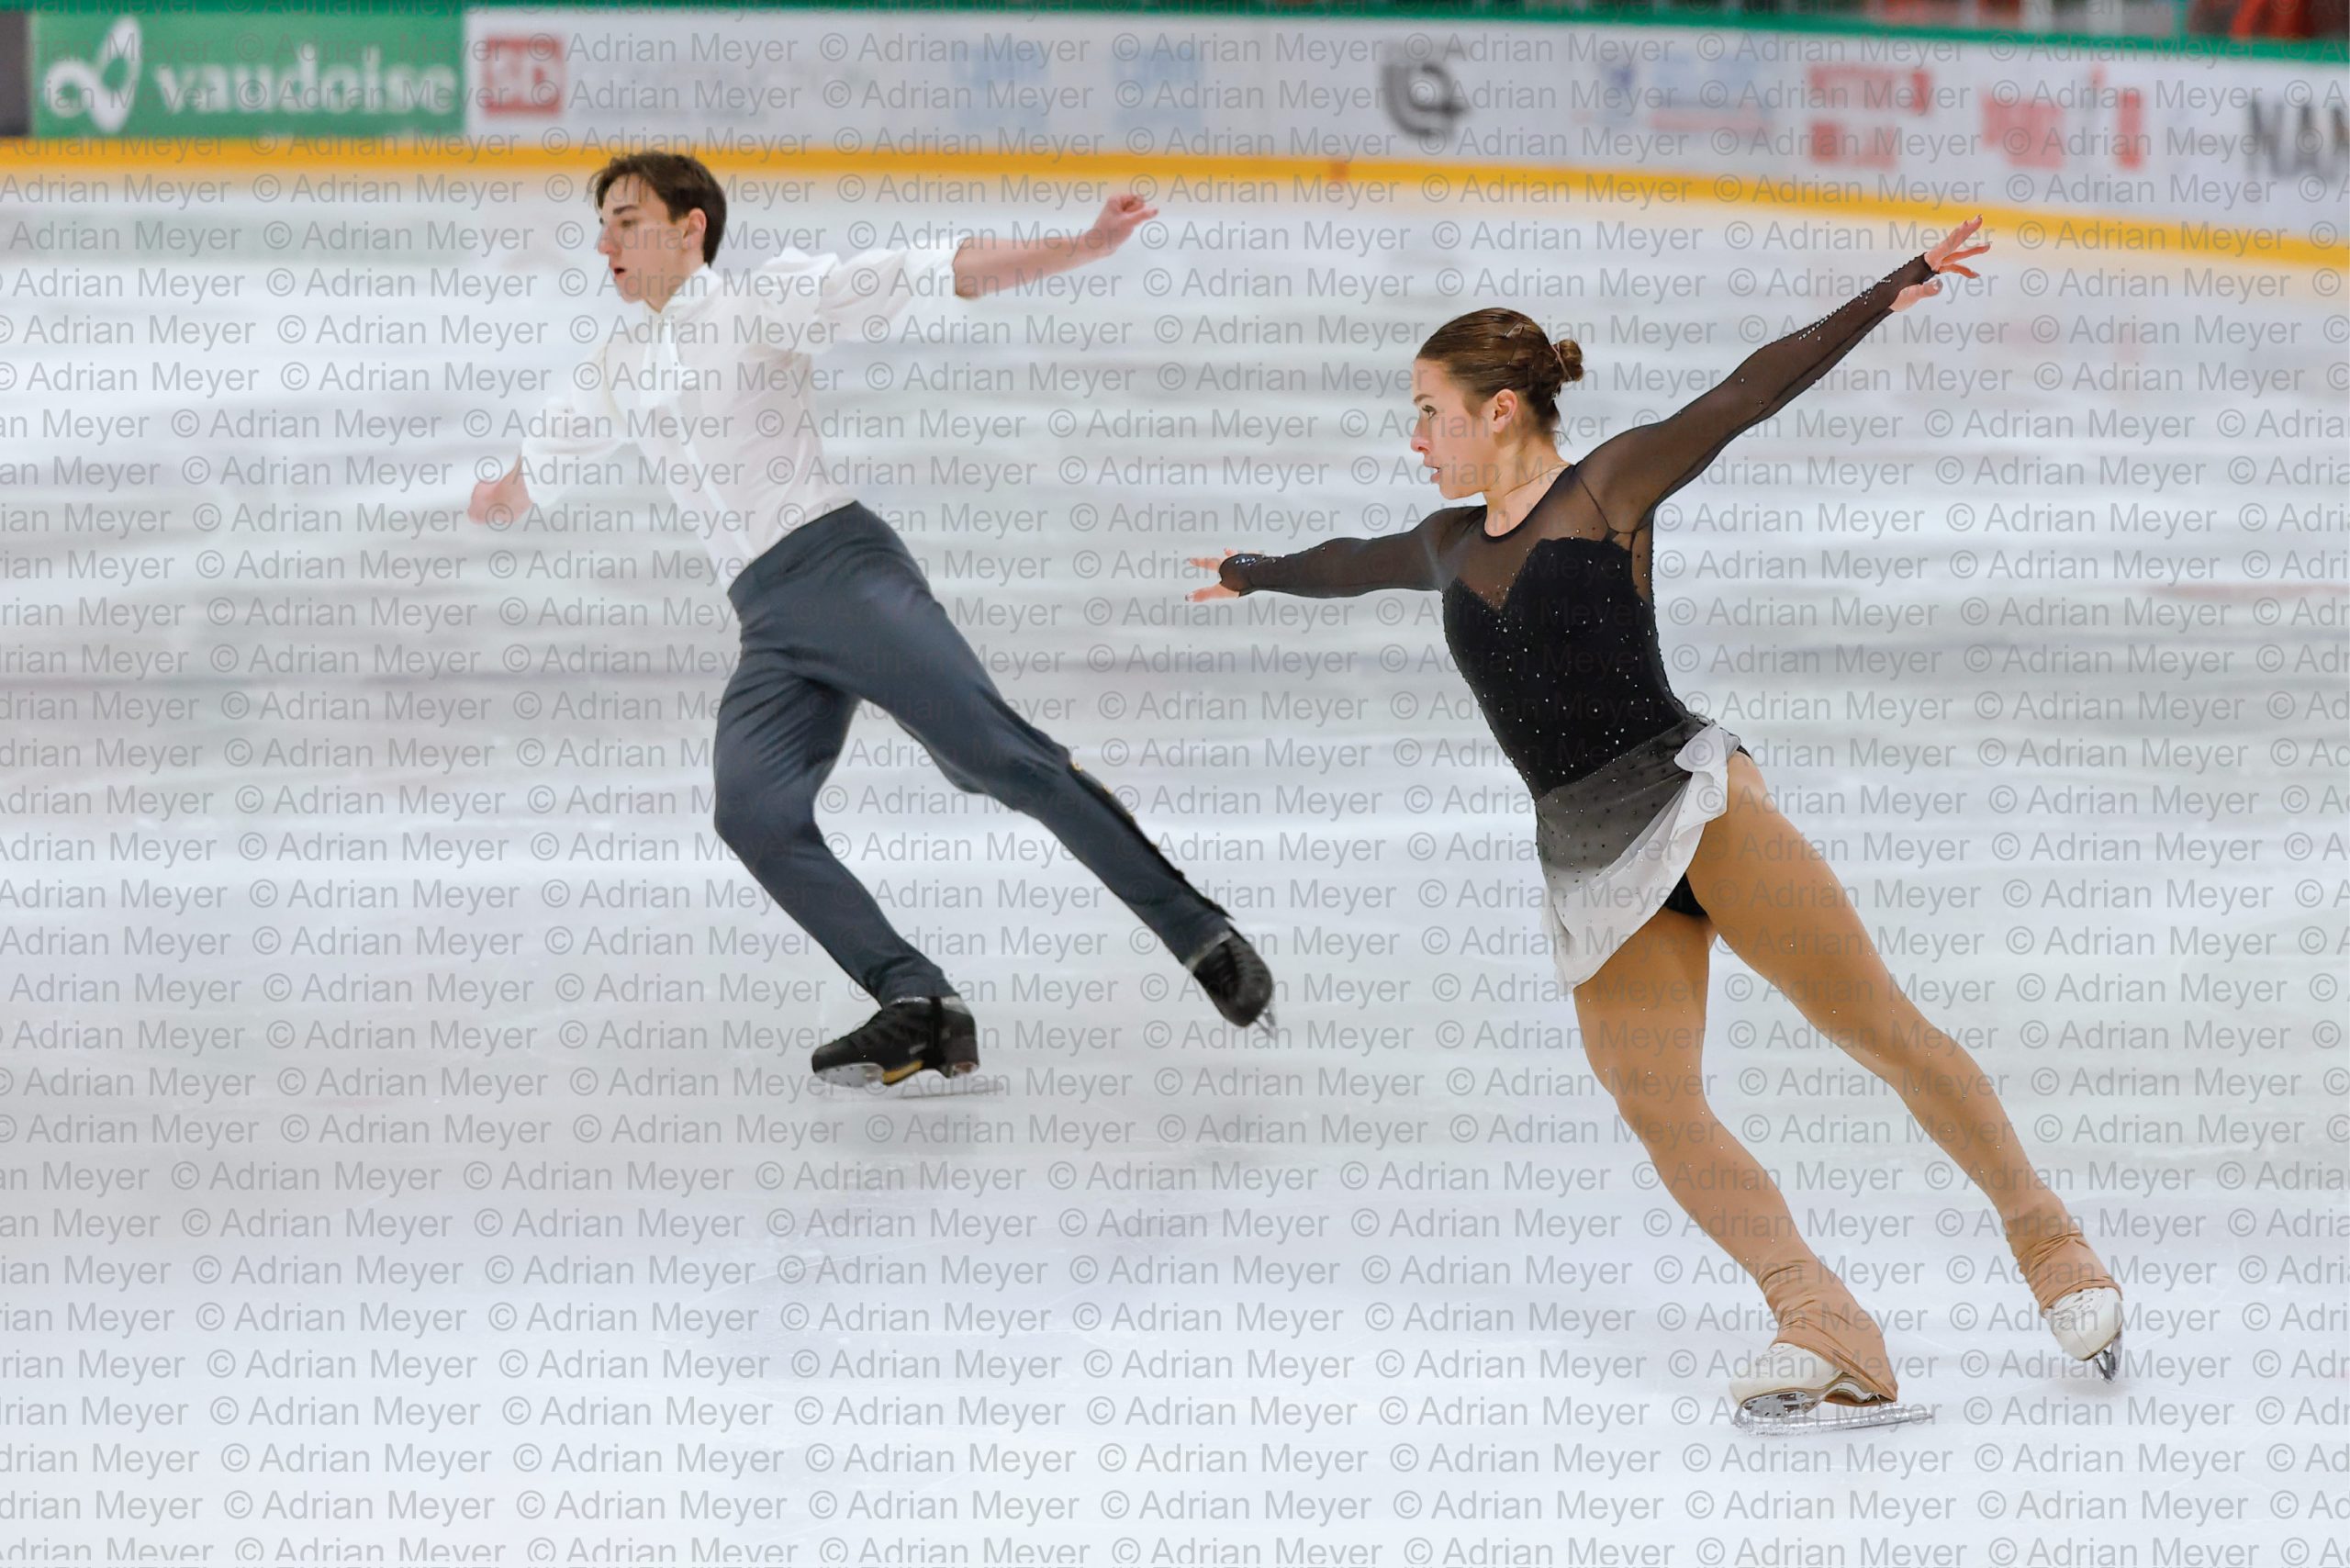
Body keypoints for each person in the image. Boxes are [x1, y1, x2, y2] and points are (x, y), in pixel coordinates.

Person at [1191, 218, 2122, 1432]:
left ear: (1504, 411)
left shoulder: (1608, 491)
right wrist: (1256, 570)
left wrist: (1892, 288)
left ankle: (2050, 1243)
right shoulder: (1445, 547)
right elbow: (1349, 561)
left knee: (1878, 1027)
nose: (1415, 439)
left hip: (1696, 805)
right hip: (1588, 856)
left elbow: (1744, 394)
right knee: (1654, 1098)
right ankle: (1822, 1319)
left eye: (1432, 413)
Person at [468, 151, 1273, 1087]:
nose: (604, 241)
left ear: (691, 227)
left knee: (997, 758)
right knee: (754, 812)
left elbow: (928, 272)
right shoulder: (614, 366)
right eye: (600, 224)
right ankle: (917, 999)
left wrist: (1080, 247)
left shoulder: (758, 304)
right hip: (767, 622)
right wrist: (495, 495)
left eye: (626, 219)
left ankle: (1199, 932)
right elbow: (539, 466)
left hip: (843, 573)